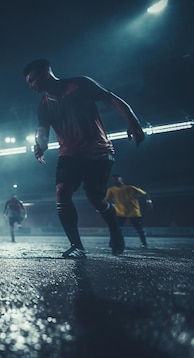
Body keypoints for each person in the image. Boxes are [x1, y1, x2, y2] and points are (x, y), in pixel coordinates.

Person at [24, 58, 145, 258]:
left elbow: (112, 99)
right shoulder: (43, 105)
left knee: (95, 198)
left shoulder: (81, 84)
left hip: (98, 151)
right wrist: (40, 146)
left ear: (46, 75)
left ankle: (115, 229)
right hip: (69, 154)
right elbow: (42, 131)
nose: (30, 86)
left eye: (32, 80)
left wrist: (133, 121)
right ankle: (77, 246)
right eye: (28, 82)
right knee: (62, 192)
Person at [105, 174, 153, 248]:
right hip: (120, 212)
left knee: (140, 229)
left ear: (121, 179)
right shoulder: (111, 189)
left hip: (133, 211)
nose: (115, 180)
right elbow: (106, 200)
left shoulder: (130, 187)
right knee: (115, 229)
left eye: (117, 178)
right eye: (114, 179)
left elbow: (145, 194)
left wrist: (149, 201)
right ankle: (112, 243)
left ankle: (144, 243)